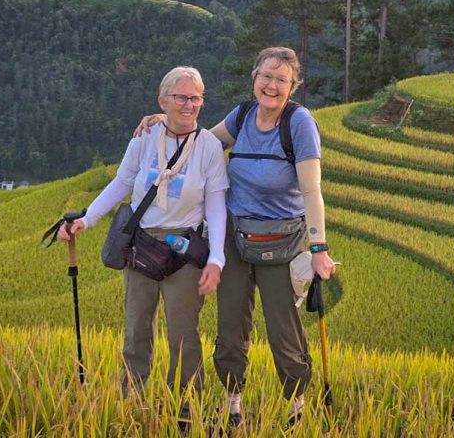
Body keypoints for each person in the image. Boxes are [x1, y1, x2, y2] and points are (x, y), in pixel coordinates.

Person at [134, 47, 336, 430]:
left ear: (293, 86)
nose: (272, 86)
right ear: (254, 78)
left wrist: (319, 248)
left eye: (281, 80)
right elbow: (198, 145)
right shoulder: (242, 115)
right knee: (230, 325)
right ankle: (233, 406)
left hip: (281, 237)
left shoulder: (299, 123)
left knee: (282, 328)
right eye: (266, 76)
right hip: (234, 234)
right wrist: (168, 121)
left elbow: (311, 190)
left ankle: (296, 407)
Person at [58, 66, 228, 425]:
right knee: (136, 330)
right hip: (141, 246)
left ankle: (186, 412)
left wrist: (216, 257)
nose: (189, 104)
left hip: (183, 251)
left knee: (184, 335)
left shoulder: (209, 147)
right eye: (181, 97)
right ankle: (130, 402)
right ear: (162, 101)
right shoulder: (145, 136)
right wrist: (87, 219)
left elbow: (216, 205)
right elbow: (122, 183)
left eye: (196, 98)